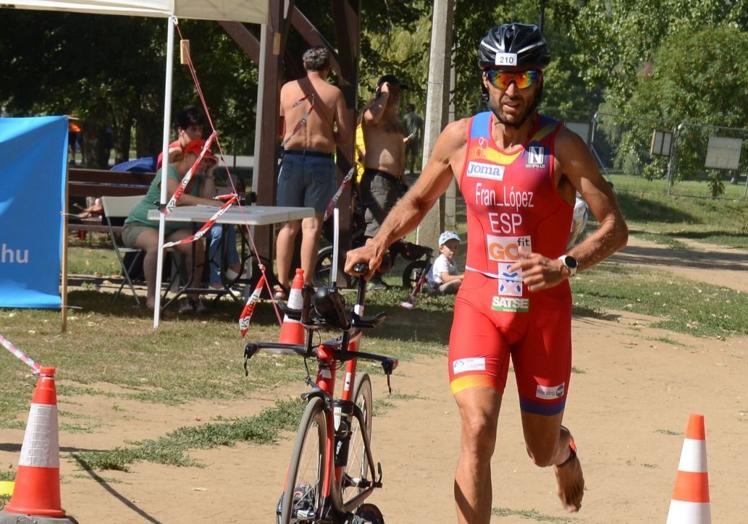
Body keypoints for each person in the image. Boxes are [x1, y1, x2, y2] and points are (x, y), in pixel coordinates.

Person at [345, 23, 628, 522]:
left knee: (538, 449)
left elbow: (615, 227)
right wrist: (377, 241)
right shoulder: (460, 138)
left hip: (542, 312)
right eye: (502, 77)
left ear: (539, 81)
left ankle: (563, 452)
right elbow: (417, 199)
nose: (512, 90)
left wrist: (566, 264)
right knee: (477, 429)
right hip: (480, 300)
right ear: (485, 78)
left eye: (524, 77)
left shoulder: (564, 147)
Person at [275, 46, 352, 298]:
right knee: (311, 225)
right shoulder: (334, 93)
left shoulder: (287, 89)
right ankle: (304, 284)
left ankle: (280, 283)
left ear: (304, 64)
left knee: (288, 225)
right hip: (320, 161)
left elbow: (280, 127)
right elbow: (344, 135)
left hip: (291, 159)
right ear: (327, 68)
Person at [122, 139, 223, 312]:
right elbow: (178, 198)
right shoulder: (168, 170)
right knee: (156, 246)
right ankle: (152, 298)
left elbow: (209, 202)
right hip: (139, 225)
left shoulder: (198, 178)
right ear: (188, 155)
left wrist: (209, 174)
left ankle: (193, 297)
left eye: (207, 160)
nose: (204, 164)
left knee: (196, 245)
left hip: (170, 229)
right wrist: (209, 202)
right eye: (201, 159)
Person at [158, 107, 242, 290]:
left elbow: (205, 195)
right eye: (193, 129)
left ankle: (218, 276)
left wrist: (209, 174)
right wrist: (209, 202)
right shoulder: (171, 156)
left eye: (200, 130)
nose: (198, 134)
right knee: (219, 228)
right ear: (181, 130)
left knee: (224, 225)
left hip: (193, 215)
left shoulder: (199, 153)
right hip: (174, 219)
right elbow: (175, 196)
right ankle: (217, 277)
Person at [359, 74, 409, 289]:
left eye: (399, 91)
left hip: (394, 181)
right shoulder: (373, 110)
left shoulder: (394, 117)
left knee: (390, 228)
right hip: (377, 178)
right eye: (393, 90)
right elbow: (370, 118)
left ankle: (377, 270)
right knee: (376, 228)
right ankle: (368, 276)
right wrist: (384, 94)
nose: (397, 95)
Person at [428, 230, 464, 295]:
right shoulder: (442, 260)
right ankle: (436, 293)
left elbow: (455, 275)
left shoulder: (452, 261)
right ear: (441, 249)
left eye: (455, 247)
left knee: (461, 281)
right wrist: (461, 277)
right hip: (436, 287)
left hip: (444, 284)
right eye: (450, 247)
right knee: (458, 282)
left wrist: (462, 278)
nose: (453, 250)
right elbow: (446, 278)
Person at [402, 103, 424, 179]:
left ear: (410, 108)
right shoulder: (419, 118)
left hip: (407, 138)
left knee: (405, 154)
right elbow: (422, 129)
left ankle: (404, 169)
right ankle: (411, 169)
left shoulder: (405, 117)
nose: (406, 109)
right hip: (415, 138)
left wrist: (404, 137)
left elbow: (402, 128)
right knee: (414, 154)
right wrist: (421, 139)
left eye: (407, 108)